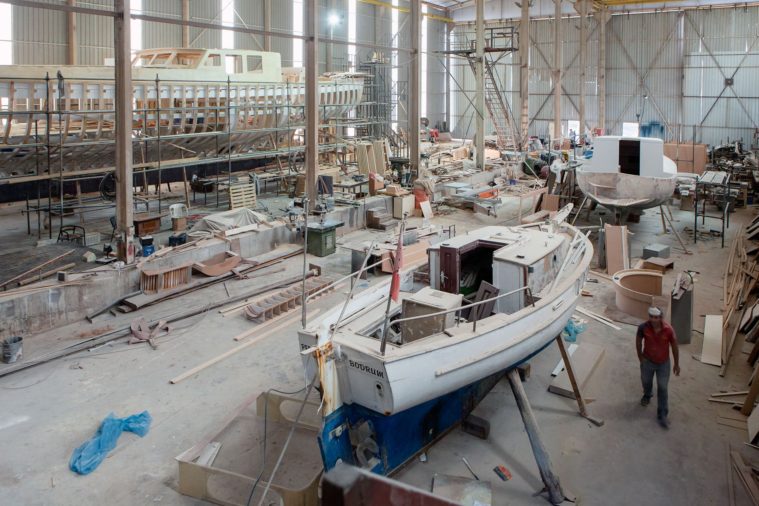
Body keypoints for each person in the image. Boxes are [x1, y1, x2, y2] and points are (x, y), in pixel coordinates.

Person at [636, 306, 680, 428]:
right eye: (651, 317)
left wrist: (676, 364)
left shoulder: (669, 330)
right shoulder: (643, 327)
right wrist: (640, 357)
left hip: (663, 364)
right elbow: (638, 341)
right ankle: (647, 394)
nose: (653, 320)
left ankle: (662, 414)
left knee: (663, 387)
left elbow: (675, 347)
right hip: (647, 361)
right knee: (646, 381)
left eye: (656, 317)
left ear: (661, 318)